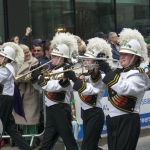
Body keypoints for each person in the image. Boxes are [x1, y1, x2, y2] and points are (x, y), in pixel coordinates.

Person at [97, 28, 150, 150]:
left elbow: (124, 88)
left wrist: (107, 69)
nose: (122, 57)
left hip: (127, 120)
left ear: (135, 57)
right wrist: (94, 70)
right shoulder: (118, 72)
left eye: (126, 54)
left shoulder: (139, 75)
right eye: (121, 54)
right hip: (112, 119)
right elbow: (99, 83)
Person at [30, 32, 79, 150]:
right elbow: (41, 88)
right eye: (52, 55)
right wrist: (34, 78)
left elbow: (53, 87)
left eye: (55, 56)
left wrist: (39, 77)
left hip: (60, 109)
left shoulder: (66, 71)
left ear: (62, 58)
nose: (52, 58)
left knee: (69, 141)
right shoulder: (52, 70)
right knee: (46, 143)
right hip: (51, 109)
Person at [64, 37, 112, 150]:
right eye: (84, 60)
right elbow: (74, 88)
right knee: (91, 147)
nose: (85, 62)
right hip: (86, 114)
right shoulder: (86, 75)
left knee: (87, 147)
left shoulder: (100, 77)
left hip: (95, 114)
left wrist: (74, 78)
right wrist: (66, 77)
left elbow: (89, 90)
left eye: (88, 60)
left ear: (95, 62)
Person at [0, 42, 33, 150]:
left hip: (4, 99)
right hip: (5, 98)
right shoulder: (4, 67)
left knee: (1, 126)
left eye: (1, 56)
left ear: (6, 58)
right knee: (10, 128)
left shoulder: (6, 69)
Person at [12, 44, 40, 148]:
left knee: (31, 118)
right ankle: (25, 140)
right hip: (18, 92)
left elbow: (31, 75)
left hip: (30, 92)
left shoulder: (34, 61)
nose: (27, 54)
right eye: (25, 52)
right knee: (22, 118)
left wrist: (18, 78)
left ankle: (33, 139)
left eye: (28, 51)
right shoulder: (15, 62)